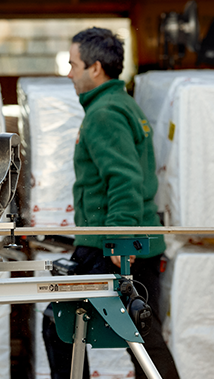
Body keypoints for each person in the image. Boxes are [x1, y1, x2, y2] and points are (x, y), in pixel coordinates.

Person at [41, 27, 181, 379]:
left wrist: (120, 239)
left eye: (73, 65)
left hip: (111, 246)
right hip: (124, 242)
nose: (69, 74)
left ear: (96, 68)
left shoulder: (105, 113)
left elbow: (124, 179)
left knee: (63, 326)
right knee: (140, 335)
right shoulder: (120, 104)